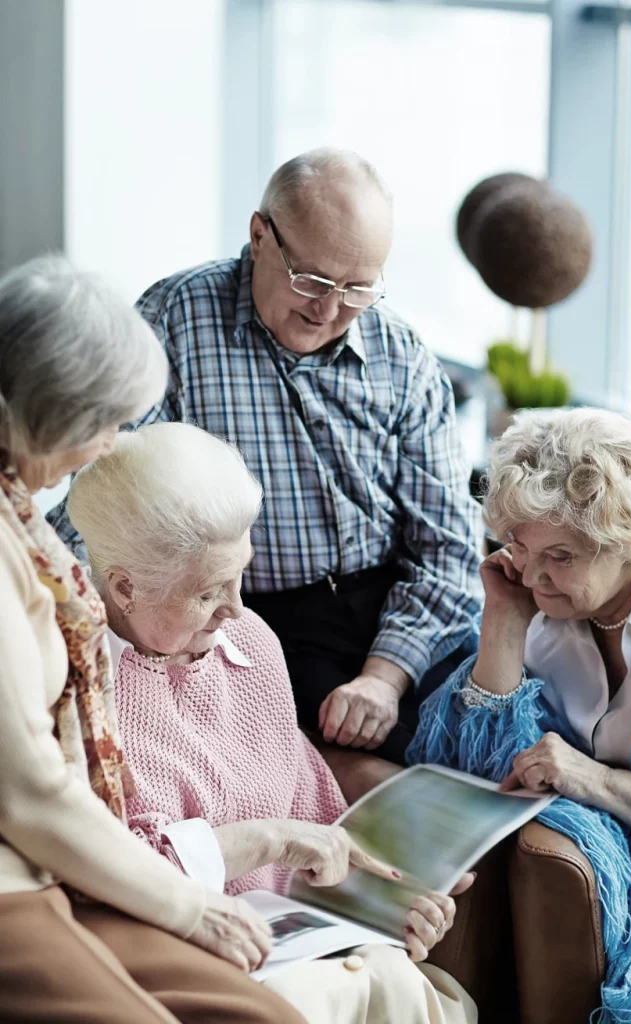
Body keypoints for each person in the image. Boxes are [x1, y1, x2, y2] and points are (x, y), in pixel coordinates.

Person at [50, 148, 483, 764]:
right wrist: (30, 576)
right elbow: (99, 489)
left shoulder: (402, 356)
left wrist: (385, 677)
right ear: (259, 235)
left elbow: (450, 548)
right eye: (311, 280)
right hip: (257, 614)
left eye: (358, 287)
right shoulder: (172, 321)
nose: (329, 310)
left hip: (398, 604)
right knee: (358, 769)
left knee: (487, 750)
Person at [66, 420, 477, 1024]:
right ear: (124, 587)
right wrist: (270, 838)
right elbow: (114, 870)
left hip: (300, 950)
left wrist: (384, 904)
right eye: (210, 592)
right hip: (182, 967)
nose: (236, 609)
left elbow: (315, 823)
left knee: (389, 975)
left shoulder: (251, 642)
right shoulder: (76, 687)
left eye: (241, 576)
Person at [0, 257, 305, 1024]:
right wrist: (187, 908)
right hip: (23, 871)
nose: (107, 448)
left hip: (60, 860)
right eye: (102, 424)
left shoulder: (20, 507)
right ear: (48, 412)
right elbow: (30, 794)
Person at [408, 406, 631, 1024]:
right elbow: (465, 774)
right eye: (519, 546)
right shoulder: (532, 599)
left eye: (562, 556)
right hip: (623, 860)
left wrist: (595, 781)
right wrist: (502, 622)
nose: (533, 574)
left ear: (628, 541)